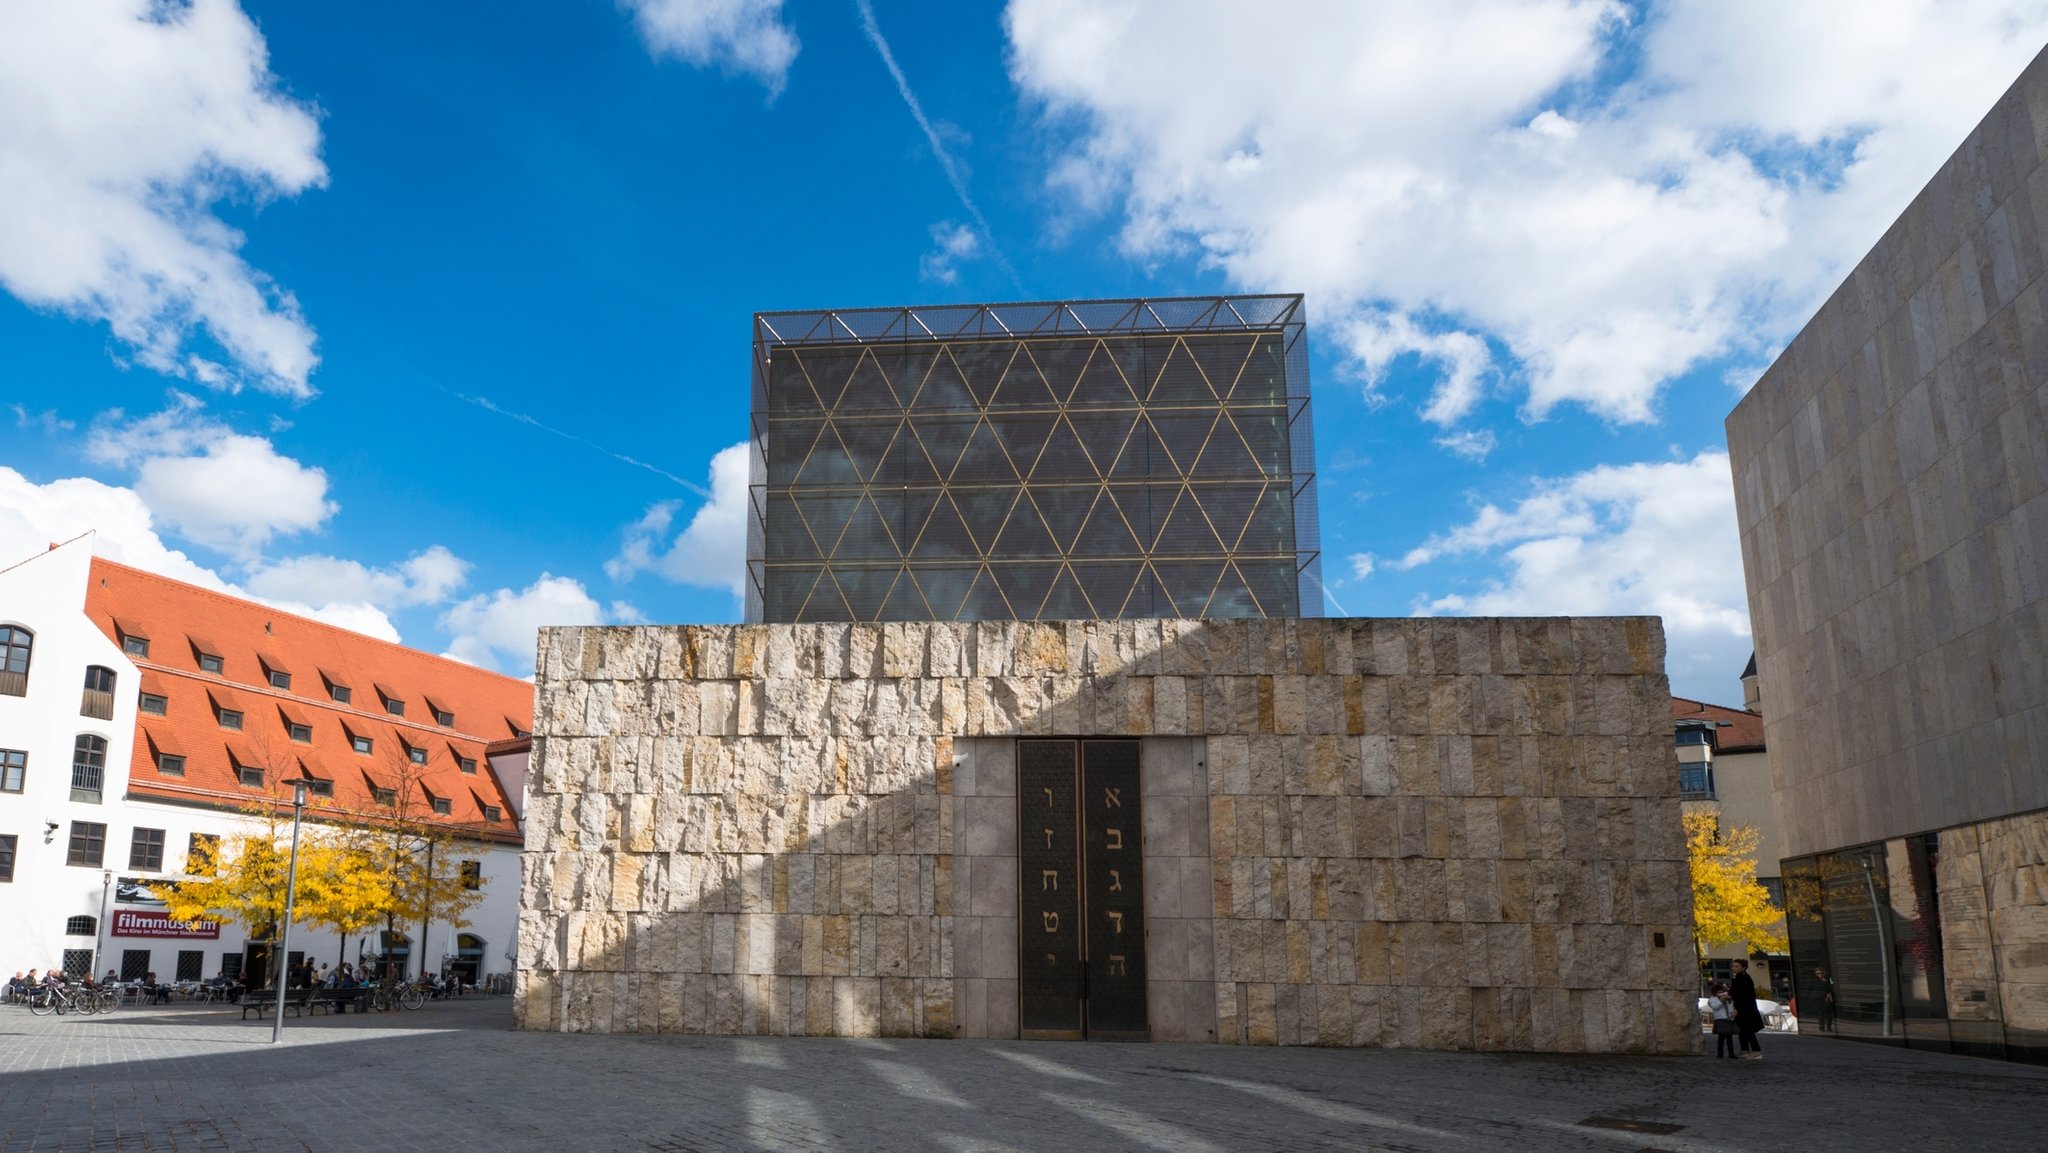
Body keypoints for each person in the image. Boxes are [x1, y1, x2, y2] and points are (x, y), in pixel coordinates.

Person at [1730, 958, 1765, 1060]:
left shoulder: (1744, 979)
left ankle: (1756, 1051)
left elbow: (1743, 995)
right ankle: (1744, 1049)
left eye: (1737, 966)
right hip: (1744, 1007)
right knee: (1742, 1029)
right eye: (1733, 966)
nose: (1734, 968)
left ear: (1743, 967)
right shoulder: (1740, 978)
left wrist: (1737, 1008)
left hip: (1746, 1008)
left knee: (1748, 1029)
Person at [1709, 982, 1738, 1058]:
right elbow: (1715, 1007)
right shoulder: (1712, 999)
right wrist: (1721, 1001)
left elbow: (1731, 1006)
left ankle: (1731, 1053)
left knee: (1729, 1038)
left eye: (1722, 992)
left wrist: (1733, 1013)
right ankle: (1720, 1053)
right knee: (1721, 1038)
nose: (1721, 993)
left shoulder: (1728, 998)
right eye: (1719, 992)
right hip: (1720, 1019)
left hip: (1728, 1019)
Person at [1814, 967, 1836, 1033]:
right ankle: (1821, 1027)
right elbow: (1815, 990)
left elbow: (1833, 987)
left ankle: (1829, 1028)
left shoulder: (1829, 979)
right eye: (1818, 973)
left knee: (1829, 1014)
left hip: (1828, 999)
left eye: (1821, 973)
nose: (1820, 974)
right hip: (1820, 999)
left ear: (1824, 973)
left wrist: (1829, 994)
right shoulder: (1815, 981)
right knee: (1821, 1013)